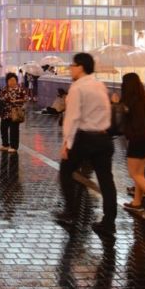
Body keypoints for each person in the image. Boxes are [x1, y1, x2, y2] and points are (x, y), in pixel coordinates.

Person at [59, 53, 118, 236]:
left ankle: (71, 212)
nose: (70, 69)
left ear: (81, 67)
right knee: (106, 181)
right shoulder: (100, 85)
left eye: (72, 65)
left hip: (84, 138)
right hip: (104, 138)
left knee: (66, 171)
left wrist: (67, 143)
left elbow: (72, 118)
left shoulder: (77, 88)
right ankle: (109, 222)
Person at [118, 73, 145, 213]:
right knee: (140, 173)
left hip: (137, 141)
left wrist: (116, 103)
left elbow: (122, 119)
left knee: (135, 174)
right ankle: (137, 202)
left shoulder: (129, 101)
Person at [0, 72, 29, 153]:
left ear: (16, 81)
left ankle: (14, 146)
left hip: (15, 113)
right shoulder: (4, 89)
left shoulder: (20, 90)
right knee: (3, 128)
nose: (12, 82)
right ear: (7, 81)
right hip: (5, 113)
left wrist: (16, 101)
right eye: (10, 80)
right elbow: (0, 97)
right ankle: (5, 145)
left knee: (14, 130)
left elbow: (26, 98)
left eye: (14, 80)